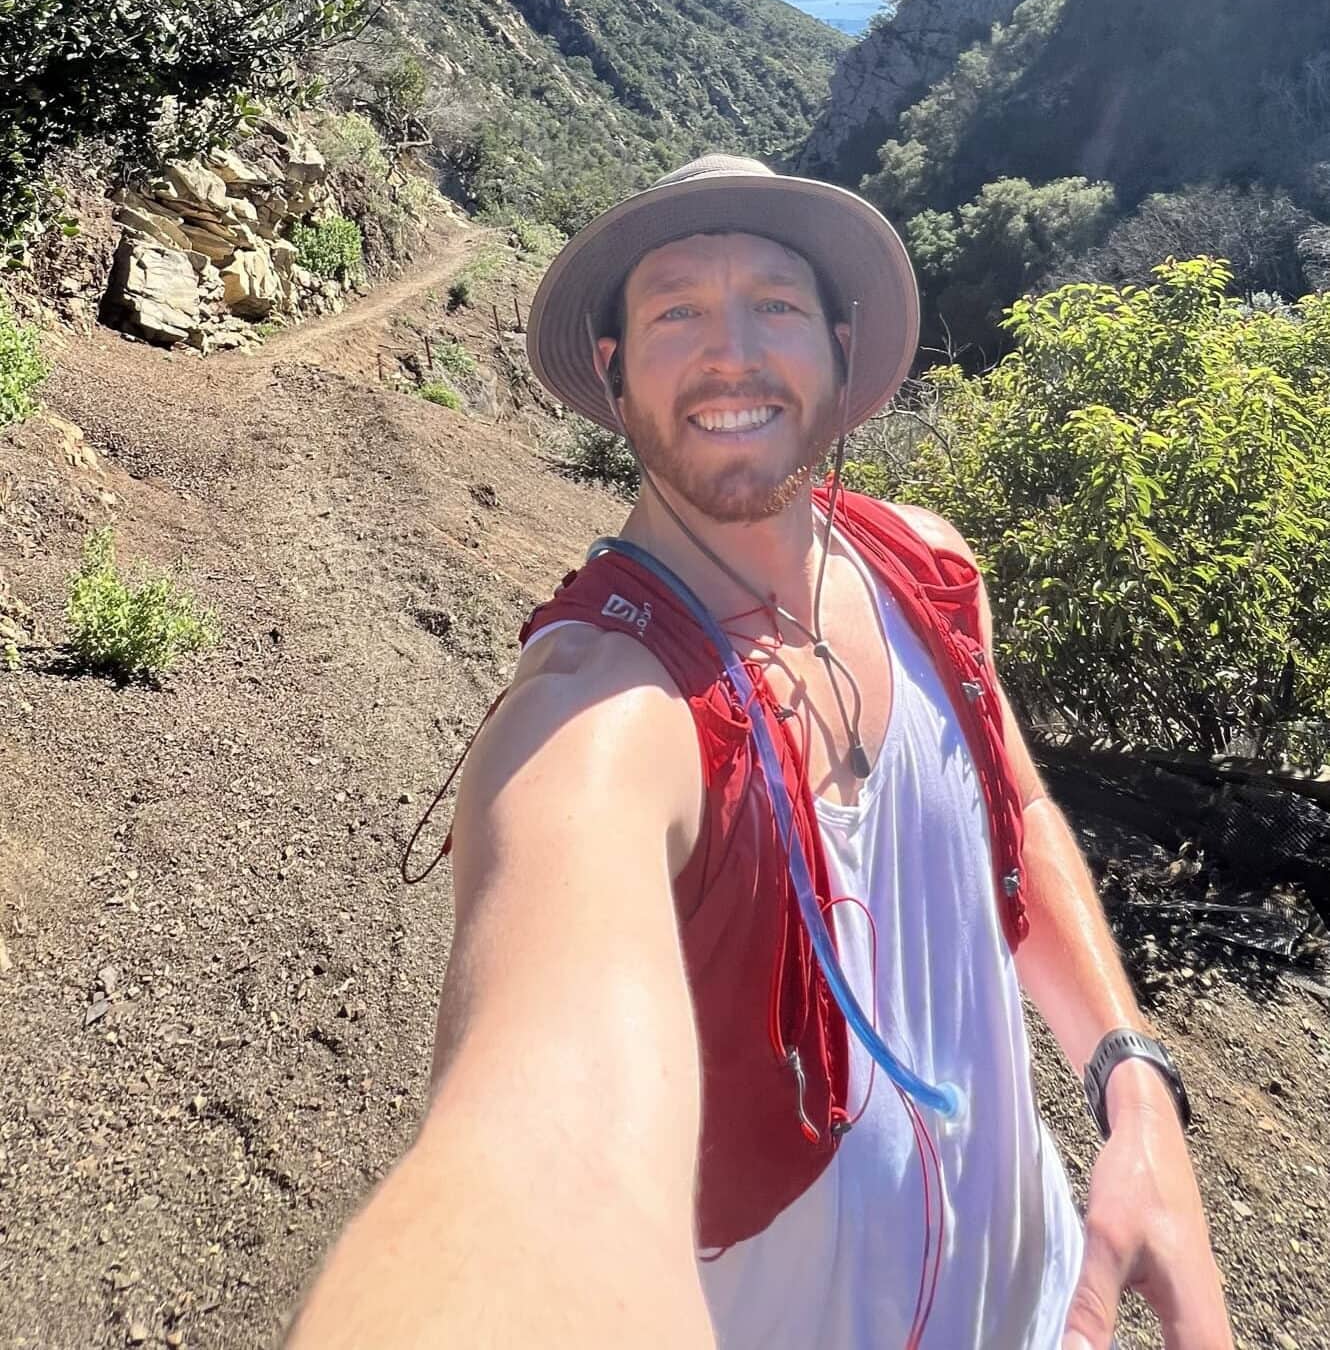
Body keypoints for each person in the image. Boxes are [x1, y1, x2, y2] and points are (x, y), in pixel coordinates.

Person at [287, 156, 1233, 1350]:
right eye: (675, 307)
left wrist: (1132, 1083)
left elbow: (1017, 814)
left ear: (839, 349)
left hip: (1043, 1303)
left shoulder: (926, 567)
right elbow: (531, 1142)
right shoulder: (601, 717)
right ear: (617, 369)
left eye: (775, 305)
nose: (730, 351)